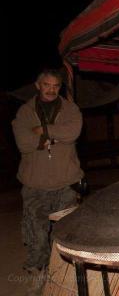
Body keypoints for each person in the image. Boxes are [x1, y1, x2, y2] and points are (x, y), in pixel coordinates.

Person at [12, 69, 84, 275]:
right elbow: (23, 143)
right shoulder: (25, 111)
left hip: (67, 182)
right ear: (38, 85)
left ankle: (65, 273)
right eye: (46, 85)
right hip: (35, 184)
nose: (51, 90)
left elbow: (72, 132)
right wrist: (51, 137)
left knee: (66, 232)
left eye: (55, 86)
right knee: (37, 233)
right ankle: (36, 272)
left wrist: (42, 130)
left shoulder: (71, 109)